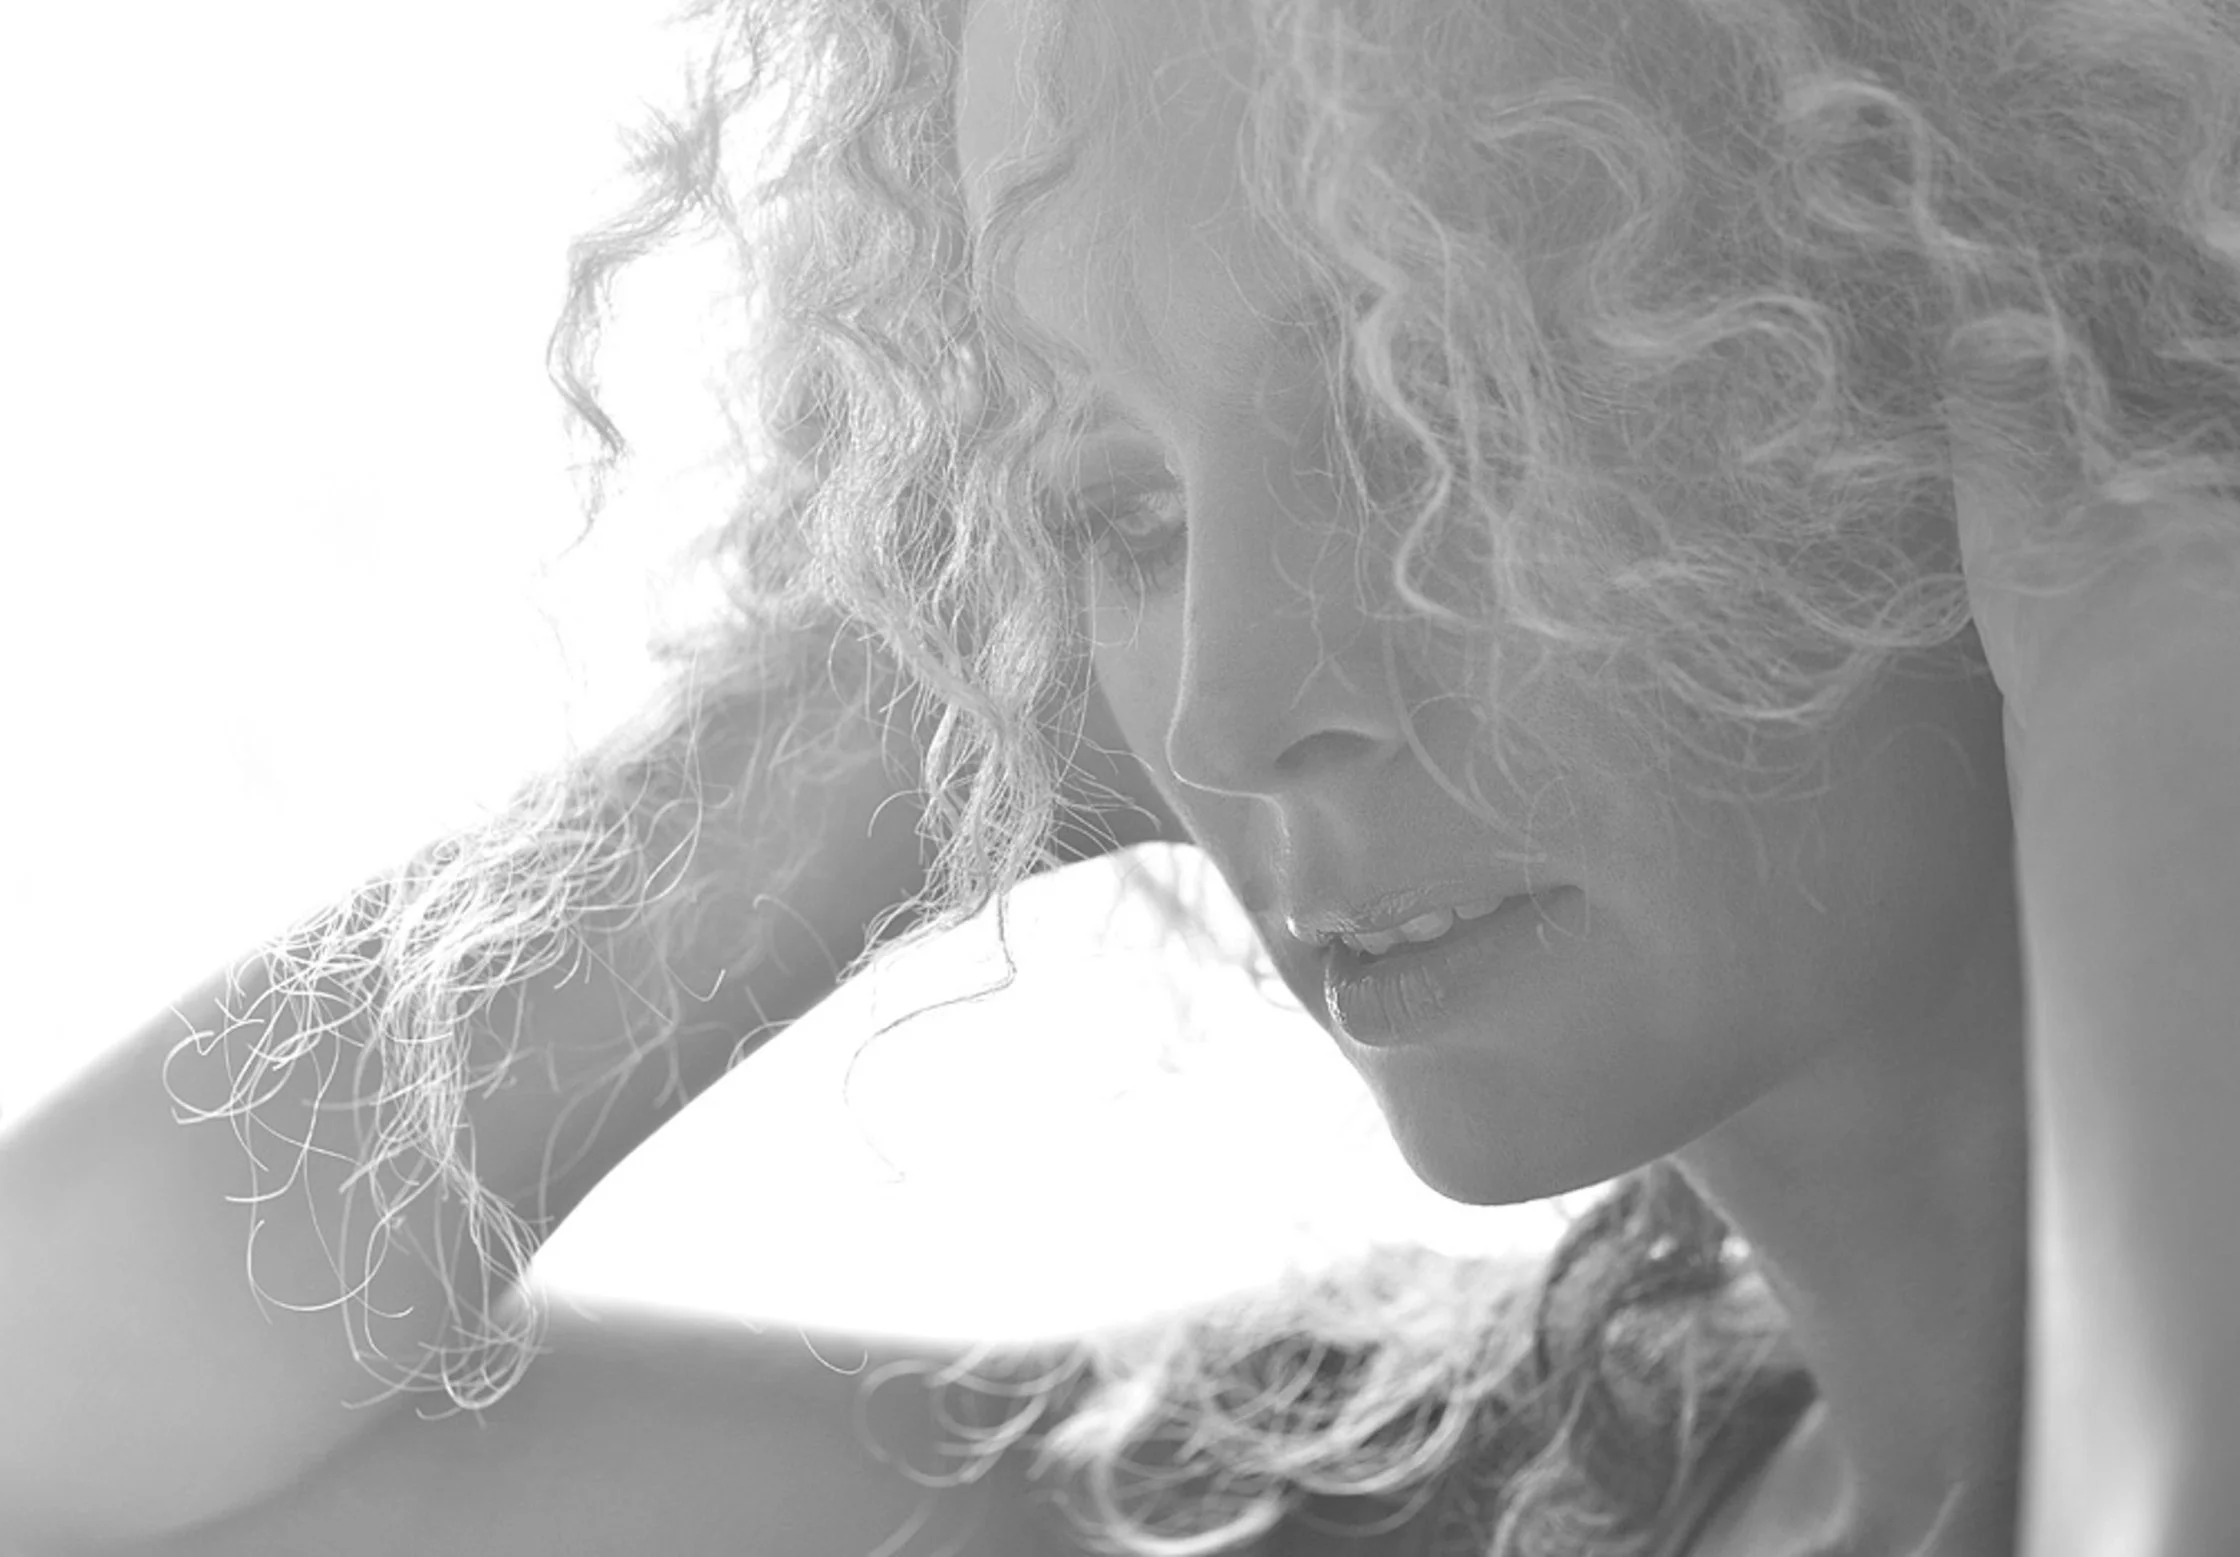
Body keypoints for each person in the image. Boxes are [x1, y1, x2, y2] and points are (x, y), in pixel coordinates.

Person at [3, 0, 2236, 1552]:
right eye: (1119, 514)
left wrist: (2154, 553)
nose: (1231, 708)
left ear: (1976, 335)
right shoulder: (1435, 1496)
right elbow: (56, 1424)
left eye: (1432, 412)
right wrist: (943, 683)